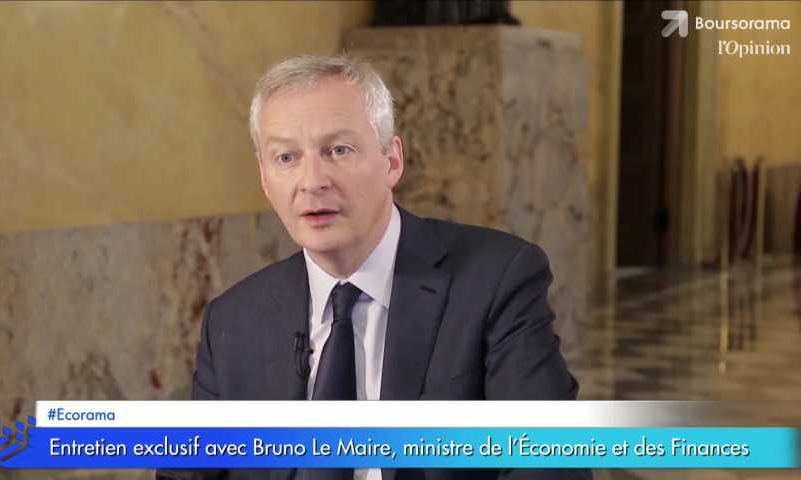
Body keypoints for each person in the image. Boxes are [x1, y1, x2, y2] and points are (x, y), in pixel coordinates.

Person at [157, 54, 589, 480]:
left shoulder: (496, 279)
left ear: (392, 160)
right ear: (265, 179)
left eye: (338, 150)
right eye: (286, 158)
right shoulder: (233, 320)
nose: (313, 181)